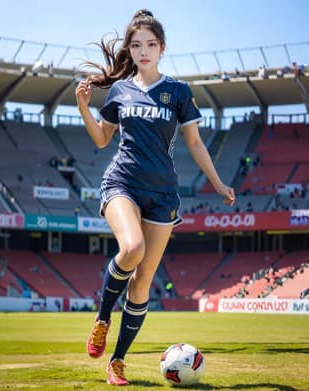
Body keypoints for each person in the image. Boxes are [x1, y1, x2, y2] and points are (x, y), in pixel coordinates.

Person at [75, 9, 235, 386]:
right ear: (129, 50)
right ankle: (101, 319)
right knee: (132, 249)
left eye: (150, 44)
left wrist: (217, 182)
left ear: (162, 48)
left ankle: (116, 360)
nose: (143, 51)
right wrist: (83, 108)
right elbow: (102, 140)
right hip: (122, 184)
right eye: (135, 45)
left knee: (143, 281)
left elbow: (194, 142)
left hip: (163, 195)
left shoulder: (178, 92)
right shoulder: (119, 91)